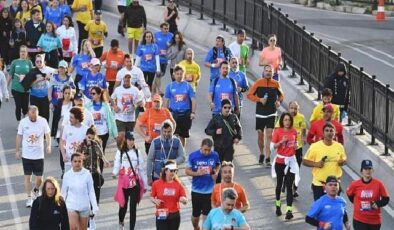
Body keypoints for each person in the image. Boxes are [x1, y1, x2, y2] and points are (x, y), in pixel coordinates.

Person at [247, 64, 284, 166]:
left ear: (273, 73)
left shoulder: (276, 84)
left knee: (269, 135)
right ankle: (261, 153)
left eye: (270, 71)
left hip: (272, 113)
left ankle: (268, 158)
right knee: (260, 135)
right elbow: (249, 95)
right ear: (263, 72)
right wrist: (259, 99)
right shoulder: (258, 83)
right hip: (260, 113)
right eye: (266, 71)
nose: (268, 73)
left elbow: (281, 95)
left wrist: (279, 102)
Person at [16, 105, 51, 207]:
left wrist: (48, 145)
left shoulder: (43, 121)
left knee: (39, 178)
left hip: (39, 155)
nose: (34, 118)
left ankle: (36, 190)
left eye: (36, 115)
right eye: (32, 115)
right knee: (28, 177)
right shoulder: (23, 122)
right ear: (28, 113)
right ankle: (29, 197)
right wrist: (17, 150)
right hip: (27, 155)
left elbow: (47, 134)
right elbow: (19, 136)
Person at [303, 122, 347, 201]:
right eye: (327, 131)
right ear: (323, 133)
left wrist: (342, 162)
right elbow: (305, 161)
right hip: (319, 185)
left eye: (331, 131)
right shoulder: (315, 146)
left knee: (333, 210)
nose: (329, 133)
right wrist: (316, 164)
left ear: (334, 133)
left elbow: (344, 160)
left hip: (334, 184)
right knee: (320, 211)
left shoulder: (339, 146)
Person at [113, 131, 148, 230]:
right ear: (126, 140)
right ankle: (121, 221)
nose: (131, 142)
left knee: (133, 208)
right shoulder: (120, 152)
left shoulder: (137, 152)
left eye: (133, 140)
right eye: (129, 140)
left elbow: (141, 169)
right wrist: (115, 172)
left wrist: (145, 185)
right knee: (123, 206)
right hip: (124, 183)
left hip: (134, 184)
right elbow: (117, 164)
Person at [185, 138, 221, 230]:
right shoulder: (193, 156)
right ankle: (196, 227)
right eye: (205, 149)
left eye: (209, 150)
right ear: (201, 147)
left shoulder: (215, 155)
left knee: (207, 215)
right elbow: (187, 171)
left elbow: (218, 165)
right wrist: (197, 173)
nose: (207, 152)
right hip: (197, 191)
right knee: (196, 215)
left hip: (209, 191)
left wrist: (216, 173)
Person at [205, 99, 242, 183]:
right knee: (218, 167)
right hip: (218, 147)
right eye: (225, 107)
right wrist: (215, 132)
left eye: (229, 107)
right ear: (221, 108)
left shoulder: (233, 117)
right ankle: (218, 186)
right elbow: (207, 130)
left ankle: (228, 184)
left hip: (229, 147)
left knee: (228, 167)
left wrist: (238, 137)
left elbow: (239, 128)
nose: (227, 109)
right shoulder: (216, 118)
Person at [346, 160, 390, 230]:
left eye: (369, 169)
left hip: (374, 221)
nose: (368, 171)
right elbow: (349, 194)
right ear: (361, 171)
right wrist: (356, 203)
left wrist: (377, 204)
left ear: (372, 171)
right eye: (365, 169)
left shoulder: (379, 184)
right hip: (359, 219)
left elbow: (386, 199)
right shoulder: (355, 184)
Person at [271, 112, 299, 220]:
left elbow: (295, 144)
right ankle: (278, 205)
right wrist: (282, 141)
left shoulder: (294, 131)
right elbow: (273, 147)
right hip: (280, 161)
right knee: (279, 184)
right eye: (285, 120)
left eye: (289, 120)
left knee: (289, 185)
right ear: (282, 121)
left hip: (291, 161)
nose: (287, 122)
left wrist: (296, 146)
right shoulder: (278, 131)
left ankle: (289, 210)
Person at [275, 101, 306, 197]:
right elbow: (277, 129)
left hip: (297, 147)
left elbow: (303, 128)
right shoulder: (284, 118)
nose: (294, 110)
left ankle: (294, 188)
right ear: (288, 108)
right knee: (286, 168)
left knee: (296, 169)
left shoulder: (301, 117)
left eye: (295, 108)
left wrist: (304, 137)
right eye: (292, 108)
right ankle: (286, 183)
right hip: (286, 149)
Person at [62, 153, 99, 230]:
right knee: (73, 227)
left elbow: (91, 191)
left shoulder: (87, 174)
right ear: (71, 162)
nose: (77, 163)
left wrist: (94, 206)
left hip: (84, 206)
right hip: (71, 206)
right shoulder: (67, 175)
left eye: (79, 161)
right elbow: (63, 192)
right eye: (75, 161)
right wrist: (61, 207)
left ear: (82, 162)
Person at [85, 86, 118, 170]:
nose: (91, 95)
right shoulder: (88, 106)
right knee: (91, 153)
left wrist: (115, 134)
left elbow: (111, 120)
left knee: (101, 153)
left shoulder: (105, 106)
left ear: (99, 94)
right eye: (91, 93)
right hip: (92, 134)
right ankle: (92, 170)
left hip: (103, 133)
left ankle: (100, 173)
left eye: (93, 93)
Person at [163, 65, 196, 147]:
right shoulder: (170, 86)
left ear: (183, 75)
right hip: (174, 114)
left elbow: (193, 100)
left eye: (181, 74)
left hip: (185, 114)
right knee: (173, 133)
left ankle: (182, 151)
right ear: (174, 75)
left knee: (183, 135)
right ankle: (173, 151)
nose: (179, 76)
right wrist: (166, 114)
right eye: (177, 74)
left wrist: (193, 112)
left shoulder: (188, 86)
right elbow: (166, 100)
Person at [76, 126, 111, 204]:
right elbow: (76, 155)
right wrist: (82, 157)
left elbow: (100, 153)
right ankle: (88, 206)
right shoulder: (81, 145)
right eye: (88, 137)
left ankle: (95, 207)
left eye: (92, 138)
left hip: (95, 171)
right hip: (85, 173)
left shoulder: (95, 144)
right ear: (86, 135)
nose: (89, 140)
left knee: (97, 190)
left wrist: (105, 161)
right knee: (86, 192)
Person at [150, 161, 188, 230]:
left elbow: (185, 200)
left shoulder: (178, 184)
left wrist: (183, 200)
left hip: (174, 215)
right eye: (171, 170)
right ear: (166, 171)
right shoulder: (156, 183)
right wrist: (155, 200)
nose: (173, 173)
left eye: (175, 170)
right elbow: (152, 197)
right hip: (161, 213)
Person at [146, 120, 185, 185]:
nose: (166, 134)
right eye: (165, 131)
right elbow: (150, 159)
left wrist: (172, 161)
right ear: (161, 131)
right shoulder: (155, 142)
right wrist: (149, 176)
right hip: (158, 175)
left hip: (172, 175)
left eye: (169, 132)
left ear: (172, 131)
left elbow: (182, 157)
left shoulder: (177, 141)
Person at [111, 73, 143, 148]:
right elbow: (112, 98)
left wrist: (135, 105)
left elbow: (140, 101)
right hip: (120, 117)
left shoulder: (135, 90)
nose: (126, 82)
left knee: (130, 138)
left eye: (128, 80)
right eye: (125, 80)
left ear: (130, 80)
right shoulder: (118, 89)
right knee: (121, 135)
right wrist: (115, 106)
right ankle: (120, 152)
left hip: (130, 117)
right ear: (123, 80)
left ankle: (129, 152)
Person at [24, 54, 56, 122]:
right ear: (35, 62)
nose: (38, 63)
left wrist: (50, 77)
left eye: (40, 61)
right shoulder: (32, 71)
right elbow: (28, 85)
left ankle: (45, 132)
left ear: (44, 62)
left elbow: (58, 72)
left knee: (45, 116)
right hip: (34, 97)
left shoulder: (48, 69)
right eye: (37, 61)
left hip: (45, 97)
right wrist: (38, 80)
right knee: (34, 116)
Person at [51, 85, 73, 177]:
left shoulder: (73, 103)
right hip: (61, 130)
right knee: (62, 151)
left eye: (69, 93)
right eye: (65, 93)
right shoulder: (59, 103)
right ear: (63, 94)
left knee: (71, 150)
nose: (67, 95)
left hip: (71, 130)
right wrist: (54, 131)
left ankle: (72, 169)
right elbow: (55, 118)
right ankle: (64, 169)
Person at [60, 106, 89, 172]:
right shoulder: (66, 128)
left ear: (78, 119)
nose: (69, 119)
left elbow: (89, 145)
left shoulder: (86, 129)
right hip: (68, 162)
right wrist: (63, 155)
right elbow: (62, 142)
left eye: (71, 118)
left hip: (81, 163)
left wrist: (85, 156)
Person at [153, 22, 173, 94]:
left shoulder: (171, 35)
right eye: (165, 29)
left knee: (161, 74)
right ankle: (158, 90)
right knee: (158, 74)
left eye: (167, 28)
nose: (166, 30)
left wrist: (169, 45)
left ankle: (153, 88)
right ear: (161, 28)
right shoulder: (156, 35)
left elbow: (173, 46)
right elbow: (153, 45)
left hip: (165, 59)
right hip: (157, 58)